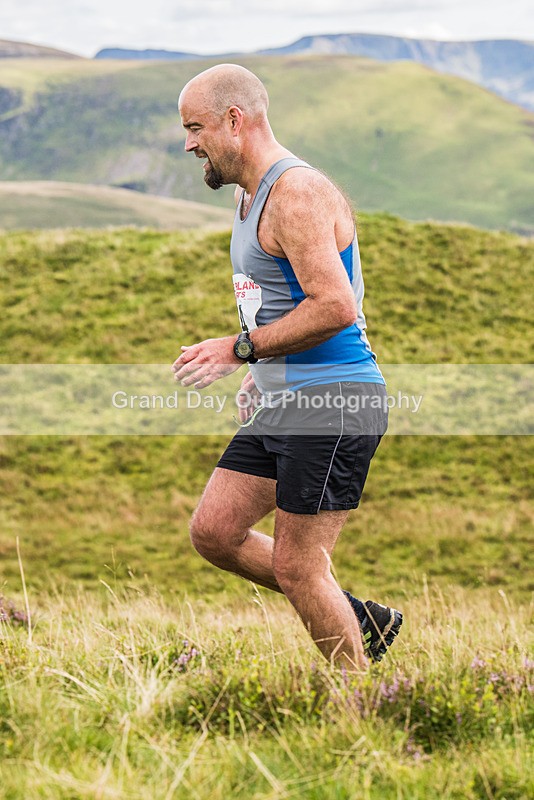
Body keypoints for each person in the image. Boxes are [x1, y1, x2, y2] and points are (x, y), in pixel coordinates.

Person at [172, 64, 402, 672]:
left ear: (234, 120)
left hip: (332, 401)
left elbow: (335, 306)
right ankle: (360, 618)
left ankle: (358, 714)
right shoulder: (252, 195)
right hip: (287, 398)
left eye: (195, 128)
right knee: (215, 532)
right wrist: (264, 366)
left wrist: (240, 348)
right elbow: (329, 290)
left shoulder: (295, 192)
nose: (189, 142)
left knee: (299, 567)